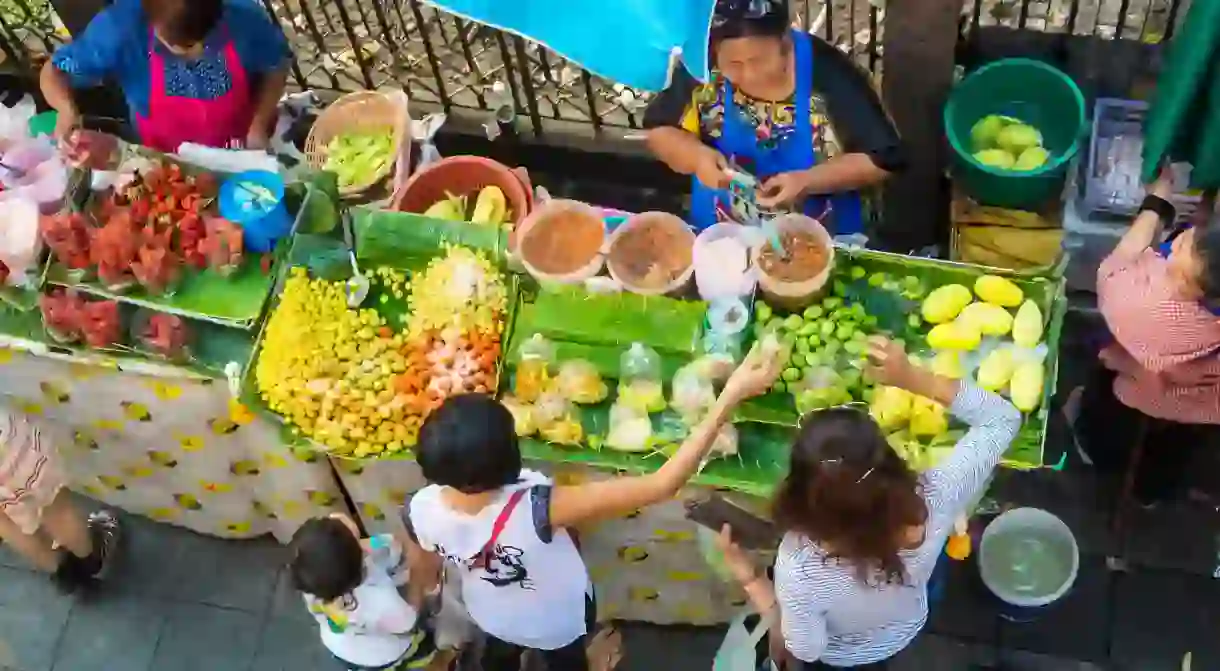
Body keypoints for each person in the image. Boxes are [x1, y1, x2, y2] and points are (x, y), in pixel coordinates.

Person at [399, 342, 784, 671]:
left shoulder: (421, 508)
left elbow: (425, 572)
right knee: (566, 660)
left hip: (489, 612)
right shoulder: (536, 509)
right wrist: (729, 396)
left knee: (500, 650)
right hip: (556, 620)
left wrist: (415, 612)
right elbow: (663, 483)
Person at [714, 337, 1021, 669]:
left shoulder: (799, 567)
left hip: (847, 655)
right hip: (905, 622)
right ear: (890, 463)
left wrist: (752, 580)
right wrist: (912, 377)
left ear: (800, 495)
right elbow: (1002, 419)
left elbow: (805, 650)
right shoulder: (935, 498)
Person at [643, 0, 904, 234]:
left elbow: (883, 159)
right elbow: (659, 130)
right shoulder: (701, 66)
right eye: (733, 64)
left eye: (760, 60)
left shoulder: (827, 74)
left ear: (785, 41)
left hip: (820, 234)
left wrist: (806, 182)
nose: (750, 75)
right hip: (725, 236)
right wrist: (697, 159)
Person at [1065, 165, 1220, 506]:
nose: (1177, 246)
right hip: (1203, 403)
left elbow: (1114, 267)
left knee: (1114, 414)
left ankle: (1096, 449)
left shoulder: (1142, 304)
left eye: (1182, 259)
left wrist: (1158, 199)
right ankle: (1154, 489)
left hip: (1144, 386)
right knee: (1179, 439)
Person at [40, 0, 290, 155]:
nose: (197, 52)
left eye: (207, 39)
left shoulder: (243, 15)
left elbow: (276, 65)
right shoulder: (120, 30)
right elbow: (53, 72)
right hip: (168, 158)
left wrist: (258, 125)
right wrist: (66, 110)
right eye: (180, 45)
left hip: (241, 147)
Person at [289, 514, 441, 671]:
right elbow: (408, 623)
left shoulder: (313, 577)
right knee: (422, 648)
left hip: (340, 644)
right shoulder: (380, 603)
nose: (339, 518)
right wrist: (417, 580)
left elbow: (382, 543)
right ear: (362, 565)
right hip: (380, 654)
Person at [0, 406, 121, 590]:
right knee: (57, 509)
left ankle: (61, 570)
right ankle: (89, 557)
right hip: (10, 453)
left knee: (6, 524)